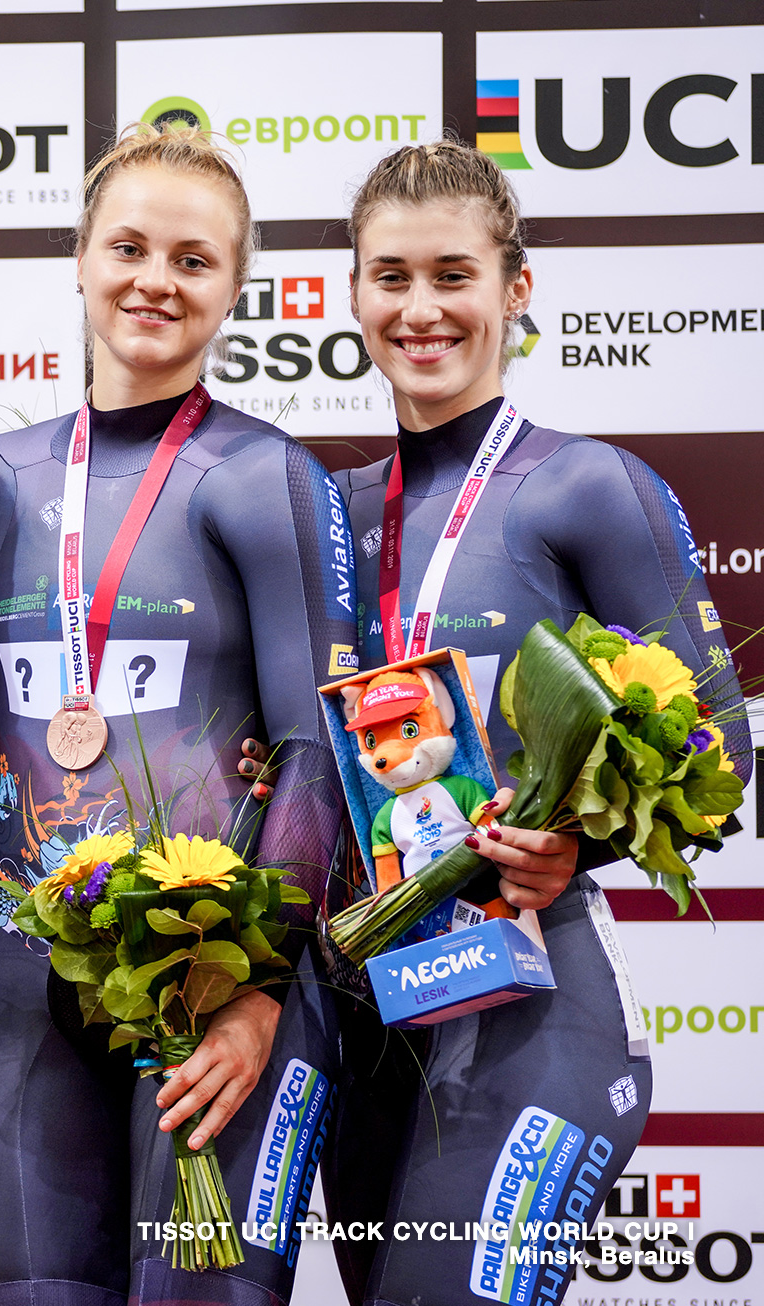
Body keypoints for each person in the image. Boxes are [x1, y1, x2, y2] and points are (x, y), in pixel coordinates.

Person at [318, 138, 752, 1306]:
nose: (420, 308)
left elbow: (719, 749)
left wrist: (577, 842)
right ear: (349, 291)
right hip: (372, 1020)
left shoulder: (587, 486)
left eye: (453, 274)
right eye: (390, 276)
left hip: (536, 998)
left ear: (515, 289)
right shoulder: (324, 515)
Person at [0, 126, 355, 1306]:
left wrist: (261, 985)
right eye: (127, 246)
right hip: (27, 983)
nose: (153, 282)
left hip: (216, 979)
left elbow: (317, 748)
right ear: (78, 255)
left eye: (193, 259)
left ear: (233, 288)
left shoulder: (266, 476)